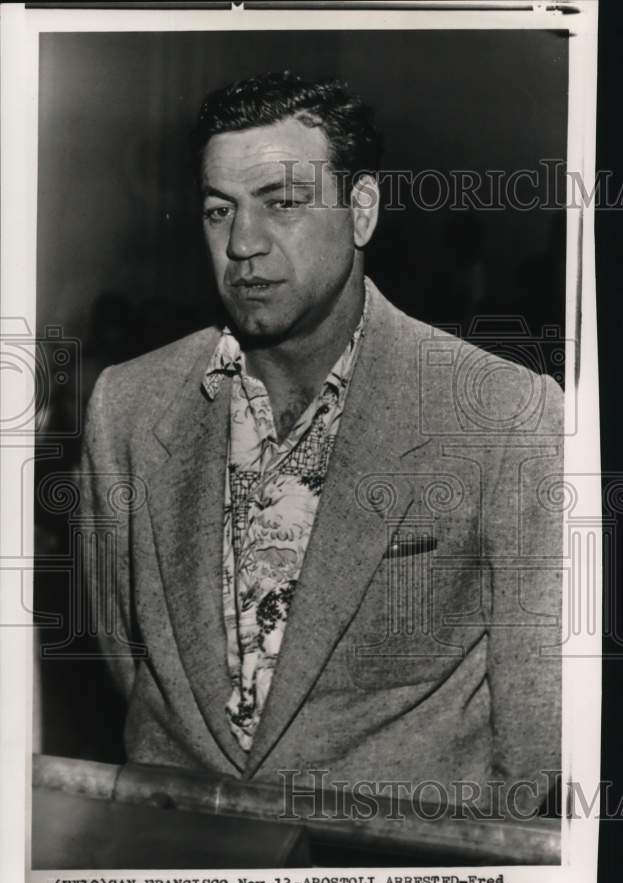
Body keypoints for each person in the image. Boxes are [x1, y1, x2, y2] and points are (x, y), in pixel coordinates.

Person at [80, 71, 563, 814]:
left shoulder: (501, 415)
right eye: (219, 210)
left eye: (283, 203)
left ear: (360, 210)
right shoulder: (128, 404)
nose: (244, 243)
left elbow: (538, 738)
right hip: (179, 863)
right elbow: (125, 650)